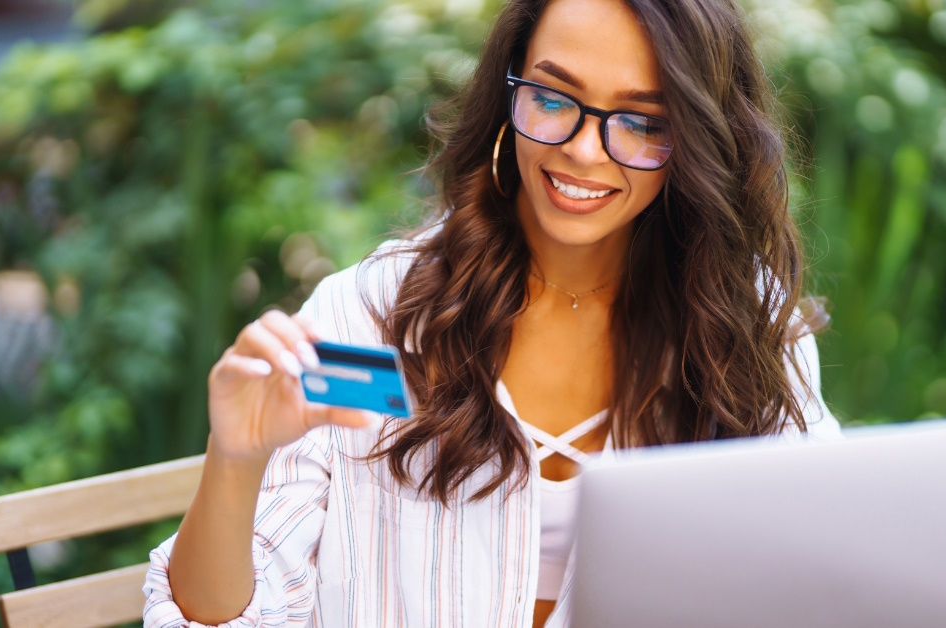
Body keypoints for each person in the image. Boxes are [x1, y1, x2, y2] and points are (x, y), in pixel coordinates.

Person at [143, 0, 840, 625]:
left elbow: (817, 573)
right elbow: (218, 620)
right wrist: (236, 458)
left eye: (642, 121)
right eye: (553, 97)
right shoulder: (374, 320)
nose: (582, 149)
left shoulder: (742, 334)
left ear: (696, 141)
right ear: (508, 90)